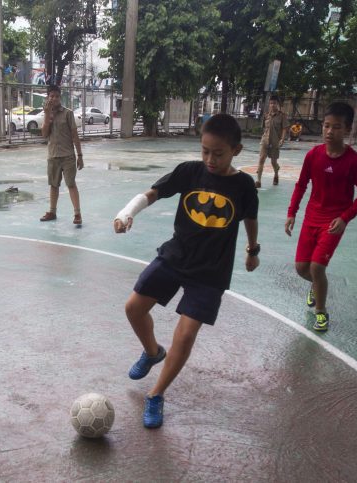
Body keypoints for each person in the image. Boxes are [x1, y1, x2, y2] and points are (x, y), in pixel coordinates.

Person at [113, 114, 260, 429]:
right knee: (133, 308)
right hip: (176, 255)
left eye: (218, 153)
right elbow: (154, 192)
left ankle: (156, 394)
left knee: (186, 333)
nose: (209, 159)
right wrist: (127, 213)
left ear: (236, 150)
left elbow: (249, 217)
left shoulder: (244, 185)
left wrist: (252, 250)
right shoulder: (190, 172)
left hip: (211, 272)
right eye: (205, 150)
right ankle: (152, 352)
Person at [285, 102, 357, 332]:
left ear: (347, 130)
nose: (330, 132)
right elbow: (301, 185)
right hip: (311, 217)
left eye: (337, 127)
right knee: (301, 268)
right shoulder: (314, 155)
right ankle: (316, 286)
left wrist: (344, 218)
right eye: (326, 126)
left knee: (316, 268)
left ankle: (321, 312)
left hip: (333, 222)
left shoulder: (354, 161)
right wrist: (292, 212)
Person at [39, 84, 84, 225]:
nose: (54, 98)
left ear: (60, 97)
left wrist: (80, 156)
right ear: (48, 97)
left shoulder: (68, 113)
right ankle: (52, 212)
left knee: (71, 184)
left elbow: (74, 135)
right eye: (51, 96)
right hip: (53, 156)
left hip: (68, 156)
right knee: (53, 185)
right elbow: (44, 134)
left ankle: (77, 214)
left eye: (57, 96)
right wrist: (47, 115)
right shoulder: (46, 113)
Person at [255, 95, 288, 188]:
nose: (272, 105)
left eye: (274, 103)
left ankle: (276, 174)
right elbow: (264, 128)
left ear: (278, 104)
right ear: (269, 104)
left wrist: (282, 139)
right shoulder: (266, 115)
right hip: (265, 140)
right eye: (271, 103)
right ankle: (258, 181)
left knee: (273, 162)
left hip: (275, 141)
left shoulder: (282, 116)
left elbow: (285, 128)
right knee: (261, 160)